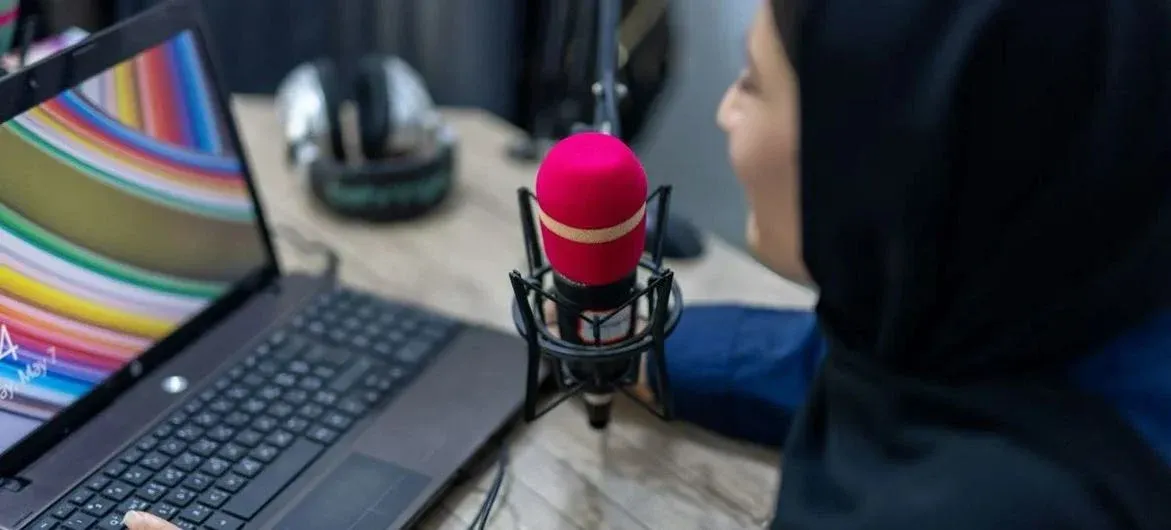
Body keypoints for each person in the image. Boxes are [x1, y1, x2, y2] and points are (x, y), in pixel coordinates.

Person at [125, 0, 1171, 528]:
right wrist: (624, 347)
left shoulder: (994, 505)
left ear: (893, 153)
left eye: (754, 84)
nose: (723, 112)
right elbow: (825, 363)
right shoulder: (1030, 304)